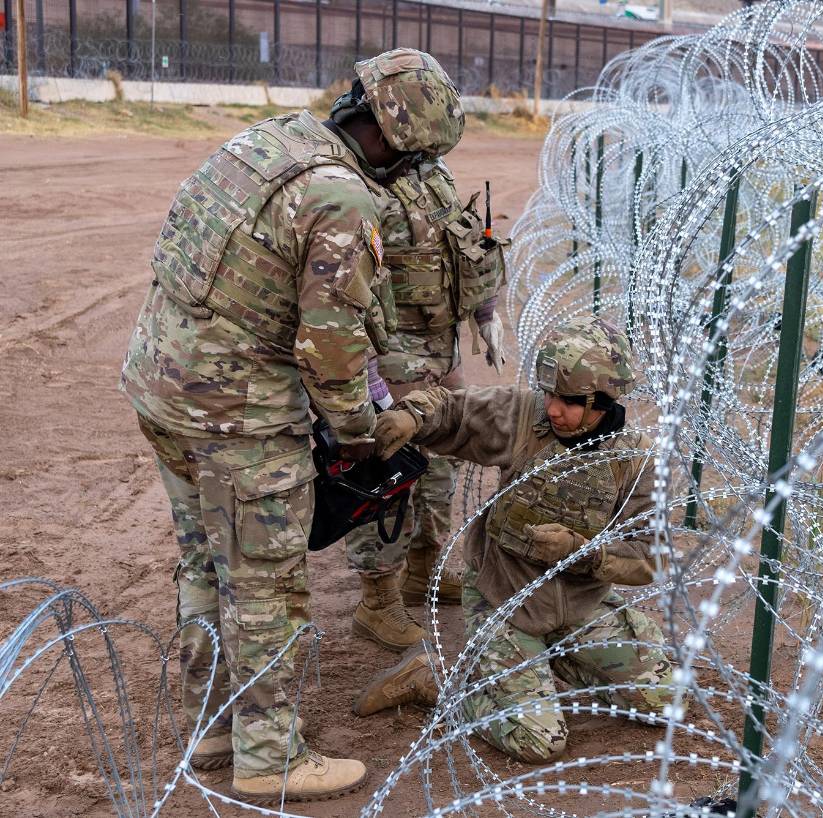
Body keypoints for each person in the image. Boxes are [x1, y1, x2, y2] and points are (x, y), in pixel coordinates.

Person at [119, 48, 463, 802]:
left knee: (206, 564)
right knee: (267, 584)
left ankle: (213, 724)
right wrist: (364, 431)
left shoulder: (273, 140)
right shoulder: (345, 199)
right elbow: (330, 346)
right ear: (400, 150)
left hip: (161, 386)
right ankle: (269, 751)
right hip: (238, 416)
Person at [353, 316, 674, 764]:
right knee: (538, 741)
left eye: (570, 400)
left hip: (580, 605)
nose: (554, 408)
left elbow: (652, 558)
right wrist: (413, 415)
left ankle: (553, 660)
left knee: (666, 702)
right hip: (506, 600)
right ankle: (436, 679)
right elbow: (454, 410)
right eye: (549, 395)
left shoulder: (634, 462)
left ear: (605, 400)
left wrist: (585, 553)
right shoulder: (527, 419)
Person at [341, 108, 509, 652]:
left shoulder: (434, 174)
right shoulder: (357, 185)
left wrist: (486, 317)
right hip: (387, 355)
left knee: (442, 467)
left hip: (441, 350)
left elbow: (466, 251)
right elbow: (345, 294)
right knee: (390, 475)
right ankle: (378, 601)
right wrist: (367, 377)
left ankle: (425, 570)